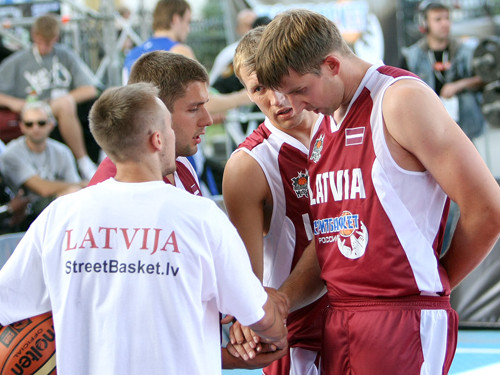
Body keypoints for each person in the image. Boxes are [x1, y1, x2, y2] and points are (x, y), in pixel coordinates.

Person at [251, 9, 500, 374]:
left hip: (403, 317)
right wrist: (284, 299)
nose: (295, 106)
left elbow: (488, 209)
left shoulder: (400, 100)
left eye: (301, 90)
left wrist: (436, 282)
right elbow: (329, 239)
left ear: (332, 64)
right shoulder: (323, 123)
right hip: (340, 317)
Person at [0, 82, 288, 374]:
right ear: (158, 140)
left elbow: (5, 302)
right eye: (170, 128)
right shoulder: (200, 217)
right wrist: (277, 336)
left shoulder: (60, 216)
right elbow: (257, 314)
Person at [222, 26, 327, 374]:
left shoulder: (341, 125)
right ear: (247, 92)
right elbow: (248, 282)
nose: (277, 99)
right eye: (259, 88)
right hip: (299, 338)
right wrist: (250, 319)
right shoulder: (249, 165)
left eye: (280, 80)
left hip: (365, 319)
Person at [89, 50, 211, 196]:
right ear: (157, 110)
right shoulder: (120, 187)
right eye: (194, 109)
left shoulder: (180, 162)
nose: (208, 120)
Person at [0, 14, 100, 180]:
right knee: (65, 104)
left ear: (56, 38)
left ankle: (92, 160)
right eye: (41, 41)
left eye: (49, 41)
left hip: (59, 107)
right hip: (32, 107)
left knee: (68, 103)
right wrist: (14, 103)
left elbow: (90, 89)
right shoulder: (17, 61)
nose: (45, 47)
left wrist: (62, 100)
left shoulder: (65, 55)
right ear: (34, 37)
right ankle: (84, 162)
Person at [401, 0, 486, 140]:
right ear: (424, 23)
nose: (445, 23)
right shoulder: (411, 57)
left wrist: (458, 85)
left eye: (447, 18)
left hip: (465, 131)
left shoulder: (467, 51)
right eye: (438, 19)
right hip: (429, 131)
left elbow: (484, 78)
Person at [0, 100, 85, 226]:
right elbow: (42, 188)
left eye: (41, 123)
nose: (36, 128)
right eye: (29, 124)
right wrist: (84, 183)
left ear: (51, 124)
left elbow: (77, 191)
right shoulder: (13, 153)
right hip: (25, 212)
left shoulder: (62, 151)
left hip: (55, 206)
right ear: (22, 126)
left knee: (73, 193)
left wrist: (78, 186)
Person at [209, 8, 257, 87]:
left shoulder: (268, 51)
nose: (252, 29)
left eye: (255, 24)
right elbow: (213, 86)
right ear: (238, 29)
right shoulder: (229, 55)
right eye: (246, 25)